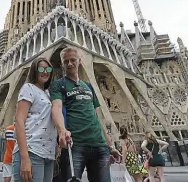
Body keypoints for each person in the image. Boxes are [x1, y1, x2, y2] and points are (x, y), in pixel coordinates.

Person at [50, 47, 121, 182]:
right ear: (61, 64)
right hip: (75, 145)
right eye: (66, 61)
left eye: (73, 60)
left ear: (79, 61)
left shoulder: (88, 86)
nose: (70, 63)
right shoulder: (58, 85)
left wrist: (109, 145)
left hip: (99, 147)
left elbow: (97, 116)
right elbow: (57, 107)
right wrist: (62, 130)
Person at [13, 57, 58, 182]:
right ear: (34, 70)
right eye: (41, 68)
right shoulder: (28, 88)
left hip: (48, 154)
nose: (45, 72)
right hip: (32, 151)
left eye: (48, 68)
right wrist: (25, 158)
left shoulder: (48, 94)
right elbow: (19, 121)